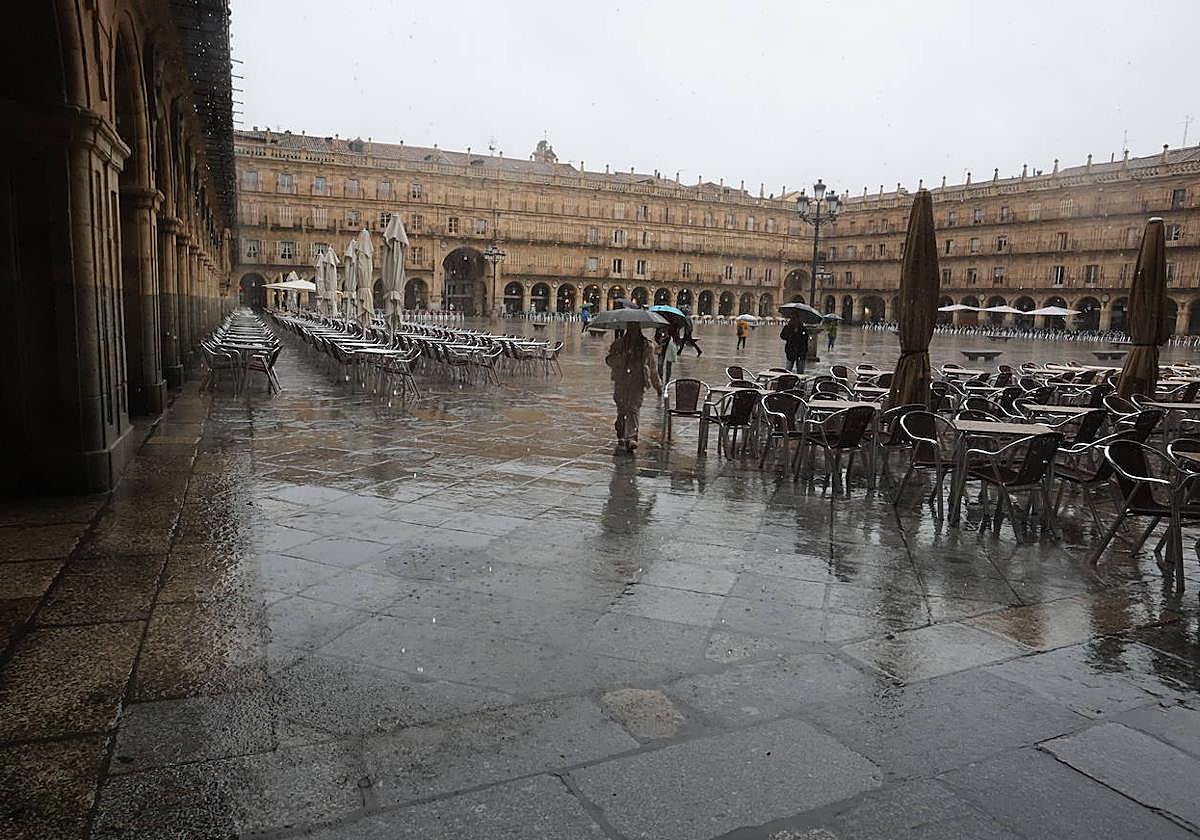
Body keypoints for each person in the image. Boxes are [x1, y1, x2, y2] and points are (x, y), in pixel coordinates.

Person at [605, 326, 662, 453]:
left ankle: (631, 437)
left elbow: (652, 367)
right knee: (622, 409)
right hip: (621, 380)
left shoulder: (647, 346)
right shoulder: (618, 344)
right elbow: (609, 360)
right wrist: (622, 358)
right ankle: (621, 429)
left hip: (638, 380)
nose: (633, 332)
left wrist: (658, 385)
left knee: (634, 408)